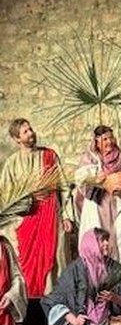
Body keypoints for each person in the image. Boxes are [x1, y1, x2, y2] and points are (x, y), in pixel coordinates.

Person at [0, 118, 74, 296]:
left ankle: (58, 299)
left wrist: (67, 215)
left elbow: (64, 187)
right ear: (17, 139)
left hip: (52, 214)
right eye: (25, 132)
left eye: (30, 129)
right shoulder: (12, 163)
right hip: (27, 219)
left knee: (57, 256)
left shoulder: (49, 156)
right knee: (27, 262)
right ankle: (32, 302)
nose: (31, 133)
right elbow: (5, 195)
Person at [75, 125, 121, 272]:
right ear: (96, 142)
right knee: (97, 239)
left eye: (110, 138)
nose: (109, 142)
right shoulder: (90, 159)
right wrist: (97, 179)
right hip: (97, 203)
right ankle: (97, 276)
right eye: (104, 139)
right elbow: (80, 179)